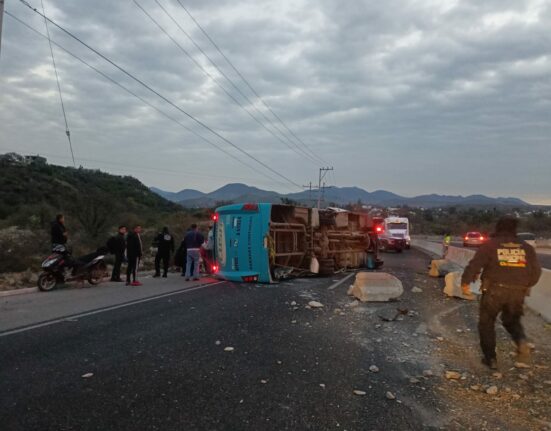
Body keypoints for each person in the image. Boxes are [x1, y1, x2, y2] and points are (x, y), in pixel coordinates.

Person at [461, 216, 542, 370]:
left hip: (494, 291)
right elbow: (536, 272)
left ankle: (490, 359)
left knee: (486, 323)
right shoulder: (526, 248)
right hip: (518, 292)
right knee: (512, 320)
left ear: (498, 228)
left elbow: (475, 265)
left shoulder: (490, 246)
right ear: (515, 229)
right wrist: (525, 285)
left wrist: (465, 282)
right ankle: (521, 341)